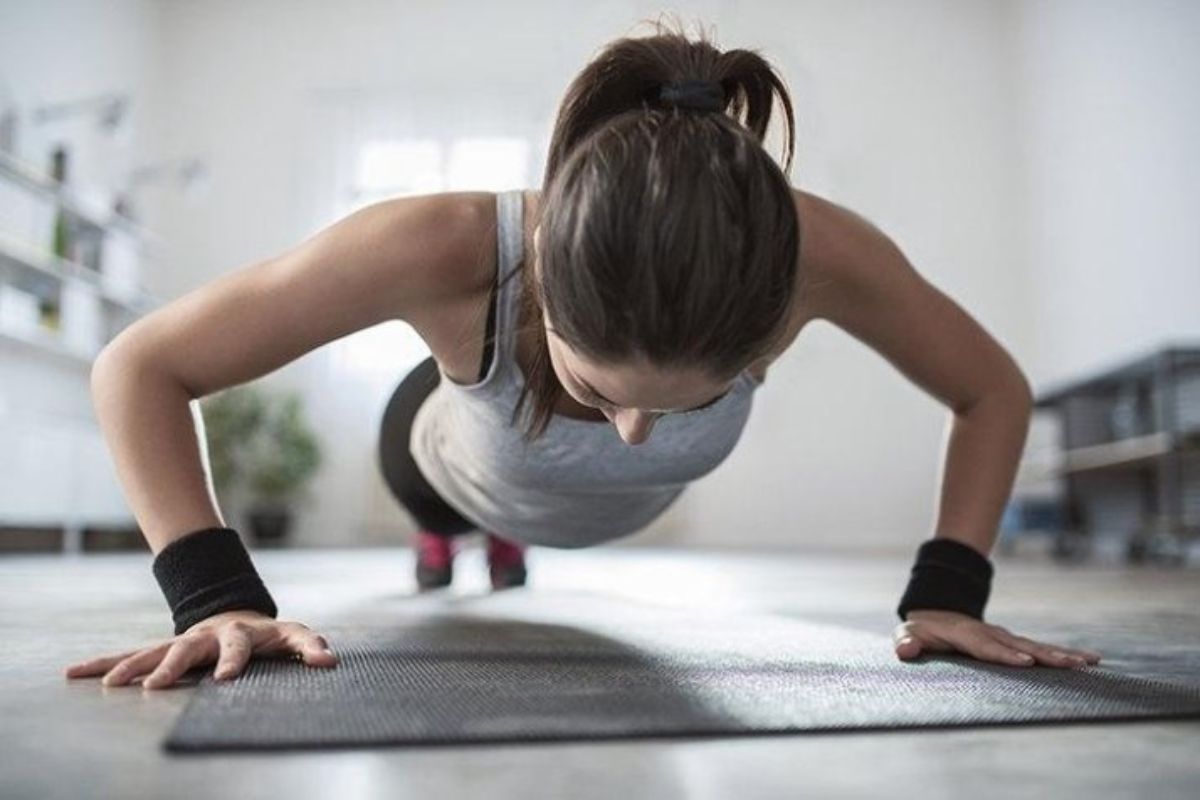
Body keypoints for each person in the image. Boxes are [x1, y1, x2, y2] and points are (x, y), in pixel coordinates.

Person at [65, 21, 1100, 691]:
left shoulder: (813, 255)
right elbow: (140, 365)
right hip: (443, 449)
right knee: (442, 490)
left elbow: (990, 388)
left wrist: (949, 589)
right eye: (596, 389)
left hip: (579, 506)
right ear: (549, 274)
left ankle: (506, 540)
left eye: (685, 403)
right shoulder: (444, 244)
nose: (639, 432)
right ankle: (455, 539)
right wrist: (213, 592)